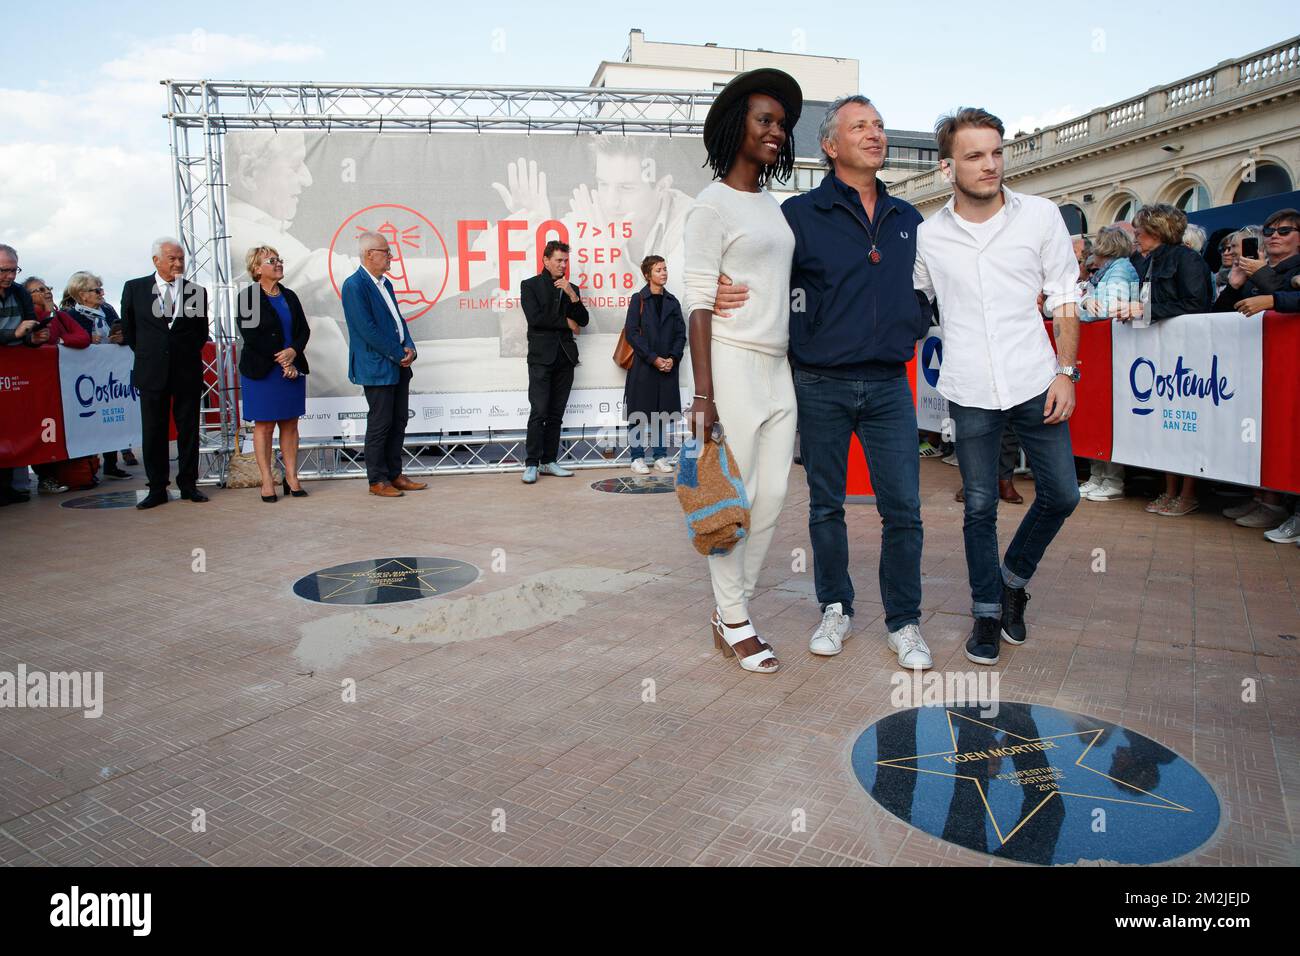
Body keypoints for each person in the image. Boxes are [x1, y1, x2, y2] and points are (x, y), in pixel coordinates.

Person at [725, 93, 933, 668]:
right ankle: (835, 608)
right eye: (859, 126)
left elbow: (927, 289)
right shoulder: (798, 217)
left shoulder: (908, 218)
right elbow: (757, 274)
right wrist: (717, 287)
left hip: (891, 384)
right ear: (830, 144)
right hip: (820, 383)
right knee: (826, 505)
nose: (875, 134)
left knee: (904, 509)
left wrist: (912, 321)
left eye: (880, 125)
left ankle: (905, 621)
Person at [913, 107, 1082, 668]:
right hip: (969, 388)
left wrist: (1066, 371)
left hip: (1037, 378)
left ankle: (1013, 579)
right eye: (975, 155)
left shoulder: (1040, 217)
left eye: (997, 152)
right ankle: (987, 612)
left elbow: (1064, 297)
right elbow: (912, 302)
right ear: (948, 168)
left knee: (1061, 493)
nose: (991, 165)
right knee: (979, 507)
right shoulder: (929, 236)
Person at [683, 68, 802, 674]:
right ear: (737, 126)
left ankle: (733, 607)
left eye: (782, 124)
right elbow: (698, 301)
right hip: (729, 363)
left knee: (775, 494)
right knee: (735, 498)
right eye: (765, 120)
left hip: (777, 363)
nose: (777, 131)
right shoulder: (710, 205)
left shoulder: (774, 207)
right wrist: (703, 393)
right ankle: (733, 619)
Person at [1120, 204, 1213, 517]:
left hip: (1188, 359)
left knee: (1187, 424)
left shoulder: (1188, 259)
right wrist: (1132, 312)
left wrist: (1144, 312)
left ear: (1157, 231)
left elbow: (1195, 304)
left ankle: (1189, 493)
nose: (1136, 236)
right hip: (1159, 356)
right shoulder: (1147, 262)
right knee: (1165, 424)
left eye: (1140, 230)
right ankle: (1169, 489)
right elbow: (1152, 303)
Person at [120, 238, 212, 509]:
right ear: (156, 260)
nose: (178, 263)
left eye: (181, 258)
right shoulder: (135, 288)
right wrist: (154, 354)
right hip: (152, 372)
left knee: (188, 430)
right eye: (172, 258)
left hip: (186, 371)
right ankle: (157, 488)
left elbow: (200, 332)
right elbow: (130, 331)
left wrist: (181, 354)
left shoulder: (195, 291)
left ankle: (188, 484)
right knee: (154, 430)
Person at [341, 231, 427, 498]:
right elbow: (366, 329)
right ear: (369, 254)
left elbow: (398, 321)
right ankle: (377, 479)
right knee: (380, 422)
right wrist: (396, 352)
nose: (391, 257)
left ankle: (394, 474)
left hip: (398, 363)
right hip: (377, 365)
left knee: (398, 420)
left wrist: (410, 347)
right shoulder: (354, 285)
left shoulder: (385, 284)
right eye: (386, 252)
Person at [236, 246, 311, 502]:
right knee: (265, 426)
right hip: (262, 371)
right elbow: (252, 336)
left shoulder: (290, 296)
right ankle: (267, 480)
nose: (278, 263)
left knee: (290, 424)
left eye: (279, 259)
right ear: (257, 269)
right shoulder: (248, 297)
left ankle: (291, 477)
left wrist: (293, 352)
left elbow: (303, 331)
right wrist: (283, 361)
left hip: (292, 367)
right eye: (272, 260)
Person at [1077, 225, 1140, 502]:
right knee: (1096, 414)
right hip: (1099, 353)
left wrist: (1078, 306)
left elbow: (1101, 309)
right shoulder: (1105, 273)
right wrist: (1082, 304)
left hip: (1113, 352)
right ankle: (1097, 473)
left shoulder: (1121, 270)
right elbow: (1085, 304)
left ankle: (1112, 477)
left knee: (1108, 414)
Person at [519, 240, 590, 484]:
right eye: (558, 260)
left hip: (565, 358)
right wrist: (565, 323)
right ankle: (531, 464)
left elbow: (583, 320)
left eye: (566, 261)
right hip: (540, 358)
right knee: (539, 411)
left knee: (556, 414)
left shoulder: (573, 289)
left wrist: (571, 294)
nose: (563, 265)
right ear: (545, 260)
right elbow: (535, 318)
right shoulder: (530, 286)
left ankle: (549, 461)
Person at [62, 270, 134, 479]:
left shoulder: (108, 310)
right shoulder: (70, 315)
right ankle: (89, 467)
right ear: (83, 294)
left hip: (110, 374)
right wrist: (85, 339)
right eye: (97, 290)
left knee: (111, 416)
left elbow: (122, 328)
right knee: (89, 420)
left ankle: (111, 464)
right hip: (84, 378)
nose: (101, 293)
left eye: (101, 289)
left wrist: (121, 336)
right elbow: (65, 340)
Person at [23, 277, 91, 495]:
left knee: (61, 428)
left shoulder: (59, 315)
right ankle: (45, 477)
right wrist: (44, 315)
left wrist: (61, 341)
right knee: (42, 431)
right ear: (28, 296)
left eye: (47, 288)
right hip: (36, 385)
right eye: (39, 290)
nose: (46, 292)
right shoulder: (31, 317)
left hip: (62, 384)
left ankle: (68, 474)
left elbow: (83, 337)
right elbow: (41, 338)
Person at [622, 255, 684, 474]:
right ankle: (637, 457)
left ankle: (660, 456)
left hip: (667, 367)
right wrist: (653, 358)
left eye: (665, 269)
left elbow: (680, 335)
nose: (664, 273)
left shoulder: (673, 301)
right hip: (644, 367)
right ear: (648, 275)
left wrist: (672, 359)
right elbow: (631, 333)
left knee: (662, 413)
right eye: (659, 270)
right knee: (639, 413)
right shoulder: (638, 299)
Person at [0, 244, 42, 504]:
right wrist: (12, 335)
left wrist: (35, 338)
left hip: (15, 372)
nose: (10, 276)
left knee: (14, 426)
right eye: (4, 270)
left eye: (14, 270)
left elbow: (28, 325)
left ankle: (11, 487)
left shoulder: (19, 293)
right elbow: (17, 331)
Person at [1216, 208, 1300, 314]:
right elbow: (1218, 317)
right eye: (1268, 232)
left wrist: (1261, 273)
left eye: (1284, 231)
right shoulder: (1249, 271)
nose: (1274, 236)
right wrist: (1233, 287)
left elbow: (1289, 298)